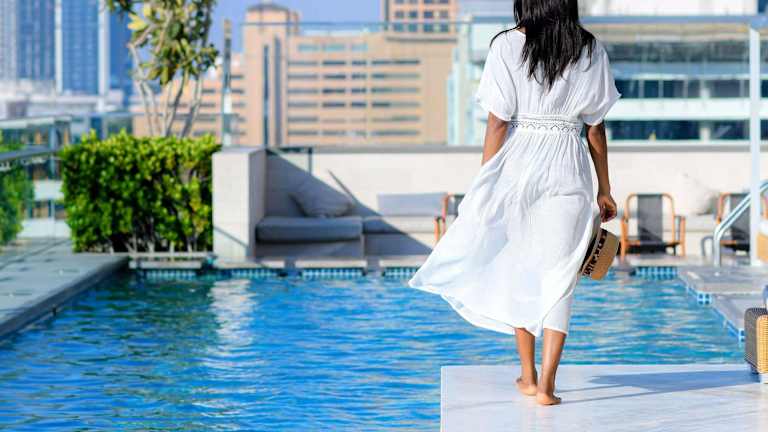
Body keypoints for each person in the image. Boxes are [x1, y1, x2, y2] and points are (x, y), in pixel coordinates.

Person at [408, 0, 620, 406]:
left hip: (519, 165)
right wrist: (605, 188)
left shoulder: (506, 44)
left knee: (521, 267)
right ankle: (547, 386)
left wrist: (486, 180)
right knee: (561, 275)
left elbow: (497, 122)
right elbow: (595, 129)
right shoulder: (590, 47)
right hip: (568, 167)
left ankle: (528, 375)